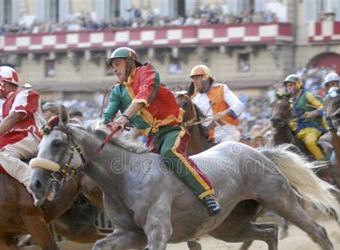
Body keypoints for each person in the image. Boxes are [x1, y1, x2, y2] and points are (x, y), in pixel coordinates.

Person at [102, 47, 221, 216]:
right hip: (152, 137)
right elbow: (108, 114)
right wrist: (100, 128)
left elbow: (143, 97)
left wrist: (125, 118)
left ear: (130, 64)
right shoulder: (117, 91)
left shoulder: (147, 72)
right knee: (144, 168)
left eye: (118, 64)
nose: (114, 69)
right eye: (112, 66)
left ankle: (207, 194)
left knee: (169, 152)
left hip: (172, 130)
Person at [0, 66, 45, 203]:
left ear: (2, 82)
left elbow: (13, 118)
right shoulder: (4, 105)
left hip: (31, 136)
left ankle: (34, 183)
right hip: (16, 139)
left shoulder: (25, 93)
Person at [189, 64, 245, 143]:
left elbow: (239, 105)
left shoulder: (221, 88)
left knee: (229, 145)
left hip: (226, 131)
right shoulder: (193, 98)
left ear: (206, 78)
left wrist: (224, 113)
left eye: (197, 78)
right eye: (193, 79)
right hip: (206, 135)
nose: (194, 81)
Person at [283, 74, 327, 160]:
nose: (289, 88)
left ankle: (322, 162)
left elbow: (324, 107)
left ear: (298, 84)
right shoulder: (290, 101)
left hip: (312, 127)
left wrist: (314, 113)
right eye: (287, 86)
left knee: (310, 142)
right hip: (297, 130)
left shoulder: (307, 95)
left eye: (291, 85)